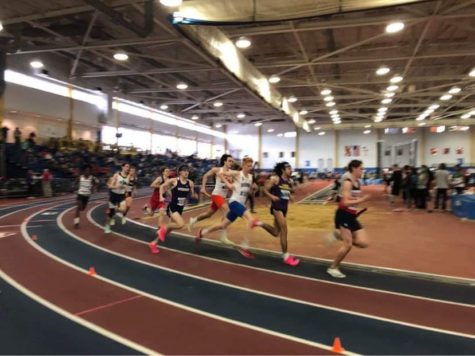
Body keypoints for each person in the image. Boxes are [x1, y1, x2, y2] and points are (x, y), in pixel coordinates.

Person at [196, 157, 263, 259]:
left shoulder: (250, 177)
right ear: (243, 165)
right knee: (251, 220)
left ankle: (202, 232)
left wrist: (253, 190)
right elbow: (220, 174)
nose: (250, 168)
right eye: (248, 166)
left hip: (240, 204)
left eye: (251, 166)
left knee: (222, 225)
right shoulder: (237, 173)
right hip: (234, 202)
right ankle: (244, 247)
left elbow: (247, 191)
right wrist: (228, 184)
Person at [328, 160, 370, 278]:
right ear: (354, 168)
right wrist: (362, 200)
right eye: (361, 168)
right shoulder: (348, 182)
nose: (363, 171)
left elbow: (350, 197)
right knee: (348, 245)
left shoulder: (358, 182)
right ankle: (333, 268)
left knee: (363, 243)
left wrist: (357, 200)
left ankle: (338, 235)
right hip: (343, 215)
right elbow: (345, 202)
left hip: (351, 215)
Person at [148, 165, 198, 254]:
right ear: (180, 172)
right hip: (173, 207)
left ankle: (154, 243)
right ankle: (162, 228)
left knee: (168, 231)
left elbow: (192, 194)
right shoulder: (174, 180)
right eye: (184, 170)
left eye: (188, 171)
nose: (187, 172)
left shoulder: (190, 183)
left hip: (180, 208)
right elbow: (162, 186)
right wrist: (160, 196)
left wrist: (194, 195)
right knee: (181, 224)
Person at [261, 162, 300, 266]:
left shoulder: (289, 181)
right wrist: (271, 196)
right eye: (288, 168)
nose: (291, 170)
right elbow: (264, 190)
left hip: (284, 208)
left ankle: (260, 223)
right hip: (277, 207)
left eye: (291, 168)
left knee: (275, 232)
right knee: (284, 230)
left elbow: (285, 191)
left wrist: (290, 196)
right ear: (283, 170)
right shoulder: (275, 179)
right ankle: (286, 256)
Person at [187, 154, 234, 242]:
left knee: (209, 214)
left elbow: (231, 186)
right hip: (216, 195)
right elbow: (205, 176)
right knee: (227, 211)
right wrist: (203, 187)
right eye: (230, 161)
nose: (231, 162)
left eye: (232, 161)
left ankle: (193, 220)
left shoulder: (232, 173)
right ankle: (223, 237)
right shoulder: (217, 170)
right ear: (224, 161)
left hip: (222, 197)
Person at [104, 163, 130, 234]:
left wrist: (126, 190)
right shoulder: (116, 175)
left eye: (128, 167)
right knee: (110, 214)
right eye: (126, 166)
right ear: (122, 167)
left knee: (123, 209)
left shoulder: (128, 176)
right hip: (114, 195)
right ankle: (107, 227)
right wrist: (116, 187)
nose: (127, 168)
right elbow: (110, 186)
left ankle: (114, 209)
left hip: (121, 195)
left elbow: (126, 185)